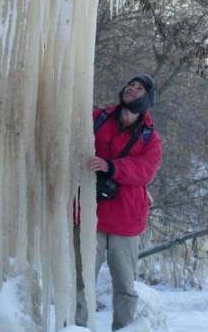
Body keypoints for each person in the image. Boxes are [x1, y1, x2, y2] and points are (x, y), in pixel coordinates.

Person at [75, 73, 163, 330]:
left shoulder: (151, 138)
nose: (132, 90)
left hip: (126, 221)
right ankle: (77, 328)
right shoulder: (98, 119)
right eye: (130, 86)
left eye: (139, 89)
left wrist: (111, 167)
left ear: (147, 100)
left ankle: (124, 328)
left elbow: (145, 170)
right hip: (91, 215)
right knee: (81, 280)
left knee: (124, 286)